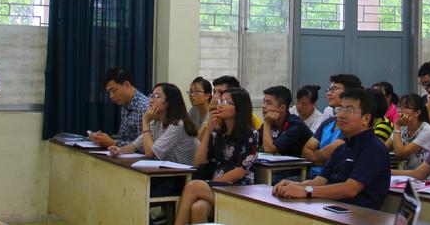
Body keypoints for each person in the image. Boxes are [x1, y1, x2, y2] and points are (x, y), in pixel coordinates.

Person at [272, 88, 390, 210]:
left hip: (358, 216)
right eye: (339, 109)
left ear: (366, 119)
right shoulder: (342, 148)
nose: (341, 115)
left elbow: (350, 189)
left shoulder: (374, 148)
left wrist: (305, 191)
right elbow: (320, 180)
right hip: (330, 209)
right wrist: (294, 185)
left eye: (349, 110)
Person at [175, 88, 259, 225]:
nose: (220, 105)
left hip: (239, 189)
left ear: (239, 108)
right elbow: (198, 162)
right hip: (215, 187)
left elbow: (239, 172)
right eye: (221, 100)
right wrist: (208, 130)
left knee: (193, 186)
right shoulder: (218, 133)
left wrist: (210, 183)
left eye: (227, 102)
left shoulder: (251, 134)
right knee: (198, 208)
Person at [109, 83, 198, 165]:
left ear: (169, 102)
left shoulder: (177, 125)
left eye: (157, 96)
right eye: (151, 95)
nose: (151, 100)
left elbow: (150, 153)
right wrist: (120, 150)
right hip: (166, 171)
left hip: (183, 174)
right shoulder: (156, 122)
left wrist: (145, 122)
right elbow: (134, 146)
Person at [302, 74, 362, 178]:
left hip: (333, 178)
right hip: (312, 176)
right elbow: (305, 150)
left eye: (334, 89)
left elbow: (330, 153)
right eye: (329, 89)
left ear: (349, 92)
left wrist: (315, 157)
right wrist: (323, 159)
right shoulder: (328, 122)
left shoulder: (352, 124)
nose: (329, 93)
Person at [90, 67, 149, 147]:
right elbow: (124, 138)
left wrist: (113, 143)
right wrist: (103, 138)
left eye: (113, 91)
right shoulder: (126, 103)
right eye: (109, 92)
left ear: (127, 85)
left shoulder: (144, 107)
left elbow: (144, 145)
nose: (111, 96)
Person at [260, 86, 313, 157]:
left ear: (282, 108)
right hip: (281, 166)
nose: (264, 106)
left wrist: (267, 123)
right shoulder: (272, 122)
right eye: (264, 102)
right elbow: (254, 141)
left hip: (304, 167)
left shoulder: (296, 125)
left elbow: (269, 149)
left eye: (268, 103)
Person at [388, 94, 430, 173]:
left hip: (425, 180)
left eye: (405, 107)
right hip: (406, 177)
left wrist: (396, 126)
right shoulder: (403, 127)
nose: (400, 110)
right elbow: (384, 147)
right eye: (399, 107)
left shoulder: (426, 131)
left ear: (417, 113)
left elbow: (400, 153)